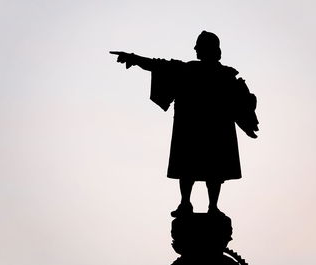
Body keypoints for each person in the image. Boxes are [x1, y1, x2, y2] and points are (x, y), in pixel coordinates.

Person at [110, 31, 259, 217]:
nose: (195, 49)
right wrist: (134, 58)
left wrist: (248, 121)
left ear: (208, 50)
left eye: (199, 46)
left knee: (209, 171)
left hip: (207, 132)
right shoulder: (202, 73)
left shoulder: (219, 75)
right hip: (196, 131)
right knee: (192, 169)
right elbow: (158, 65)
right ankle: (188, 203)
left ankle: (208, 206)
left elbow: (242, 103)